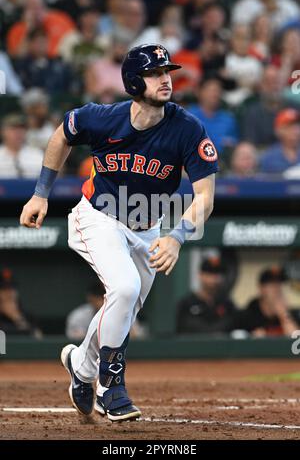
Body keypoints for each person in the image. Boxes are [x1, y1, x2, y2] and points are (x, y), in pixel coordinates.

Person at [20, 43, 217, 422]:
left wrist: (176, 236)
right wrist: (40, 194)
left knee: (123, 307)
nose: (165, 79)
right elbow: (62, 135)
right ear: (132, 81)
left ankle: (81, 365)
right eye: (155, 73)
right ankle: (111, 388)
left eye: (167, 72)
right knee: (124, 288)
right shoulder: (102, 118)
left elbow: (205, 195)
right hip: (97, 216)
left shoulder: (187, 128)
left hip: (149, 227)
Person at [176, 256, 236, 334]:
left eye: (218, 274)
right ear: (200, 275)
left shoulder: (227, 304)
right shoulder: (187, 303)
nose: (215, 278)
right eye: (210, 274)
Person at [234, 267, 298, 337]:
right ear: (261, 288)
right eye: (272, 284)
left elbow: (296, 342)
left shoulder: (290, 315)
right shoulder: (247, 317)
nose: (277, 289)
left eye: (279, 284)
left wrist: (283, 314)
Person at [187, 76, 239, 153]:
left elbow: (234, 144)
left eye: (218, 90)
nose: (214, 94)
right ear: (199, 92)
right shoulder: (188, 116)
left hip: (223, 161)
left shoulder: (228, 119)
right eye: (210, 90)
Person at [0, 268, 42, 337]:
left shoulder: (28, 317)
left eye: (11, 288)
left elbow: (39, 340)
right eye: (4, 289)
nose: (9, 293)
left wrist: (18, 319)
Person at [0, 113, 43, 178]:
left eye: (21, 129)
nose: (18, 132)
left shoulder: (37, 154)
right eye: (13, 129)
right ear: (3, 131)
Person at [260, 108, 300, 174]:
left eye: (297, 126)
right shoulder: (269, 158)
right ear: (278, 130)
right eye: (289, 126)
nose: (295, 130)